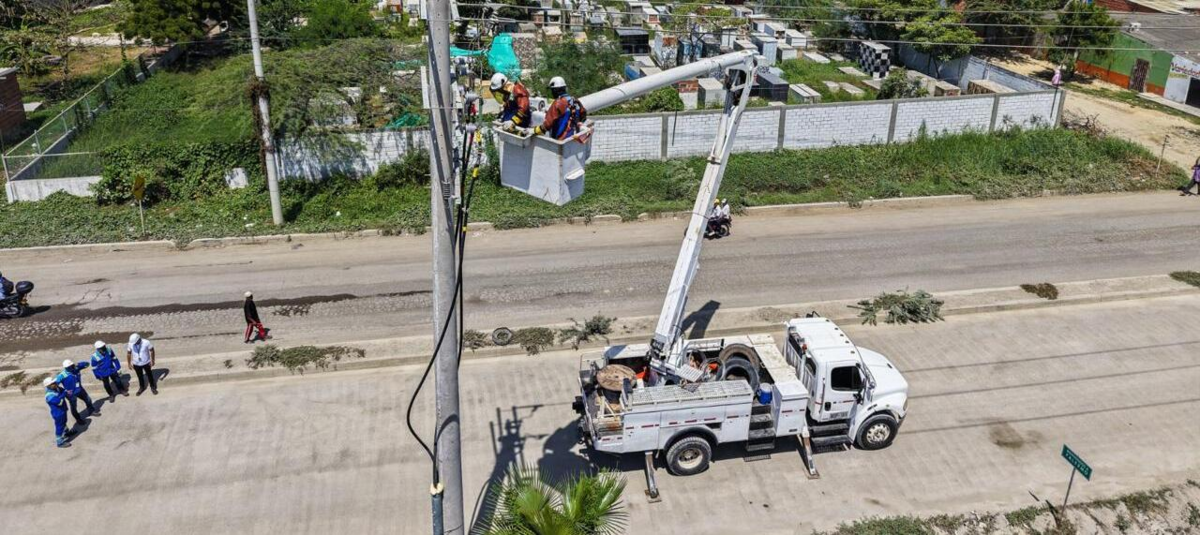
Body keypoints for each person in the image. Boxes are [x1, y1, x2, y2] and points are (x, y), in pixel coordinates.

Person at [56, 359, 99, 424]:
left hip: (80, 389)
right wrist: (64, 391)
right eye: (69, 367)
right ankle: (78, 419)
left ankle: (91, 411)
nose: (71, 368)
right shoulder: (62, 375)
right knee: (74, 407)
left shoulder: (76, 368)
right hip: (71, 394)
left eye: (71, 366)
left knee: (88, 399)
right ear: (66, 368)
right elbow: (55, 385)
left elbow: (87, 364)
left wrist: (78, 364)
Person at [44, 377, 72, 448]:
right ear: (48, 386)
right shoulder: (49, 396)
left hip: (62, 410)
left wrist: (65, 392)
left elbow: (62, 390)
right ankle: (59, 442)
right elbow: (59, 402)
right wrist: (64, 393)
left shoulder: (56, 388)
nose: (55, 383)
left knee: (64, 422)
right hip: (58, 413)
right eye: (53, 383)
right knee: (59, 426)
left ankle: (66, 432)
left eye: (54, 382)